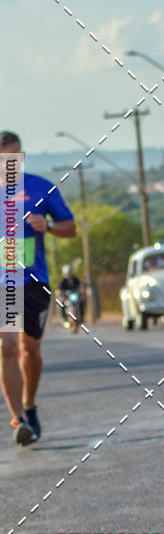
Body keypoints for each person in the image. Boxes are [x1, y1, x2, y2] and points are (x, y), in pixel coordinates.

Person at [0, 131, 77, 445]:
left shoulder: (40, 187)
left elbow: (70, 227)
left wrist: (49, 226)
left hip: (32, 281)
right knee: (7, 347)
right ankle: (18, 418)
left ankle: (29, 406)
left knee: (30, 350)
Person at [56, 264, 85, 331]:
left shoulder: (75, 279)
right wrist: (60, 292)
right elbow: (59, 289)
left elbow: (80, 287)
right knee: (61, 302)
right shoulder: (63, 281)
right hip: (66, 298)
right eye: (70, 271)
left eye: (71, 271)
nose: (71, 273)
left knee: (82, 302)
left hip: (74, 297)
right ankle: (64, 318)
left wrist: (82, 291)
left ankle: (81, 317)